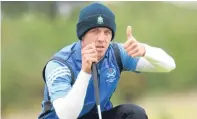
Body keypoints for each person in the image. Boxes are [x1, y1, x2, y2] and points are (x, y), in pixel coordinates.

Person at [38, 2, 176, 119]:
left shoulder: (116, 53)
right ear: (82, 35)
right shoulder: (60, 64)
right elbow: (67, 115)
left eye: (107, 32)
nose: (101, 39)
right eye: (95, 31)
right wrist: (85, 72)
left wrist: (145, 51)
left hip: (98, 115)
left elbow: (169, 65)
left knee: (134, 113)